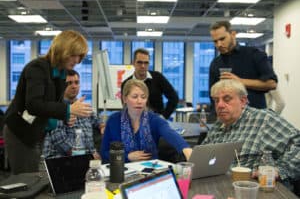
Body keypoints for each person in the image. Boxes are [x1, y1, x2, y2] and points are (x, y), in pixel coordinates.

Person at [3, 30, 92, 174]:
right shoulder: (37, 68)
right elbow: (34, 105)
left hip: (36, 131)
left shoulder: (61, 73)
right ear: (63, 50)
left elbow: (49, 107)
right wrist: (68, 110)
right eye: (74, 55)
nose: (77, 60)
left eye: (79, 56)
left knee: (34, 177)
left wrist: (65, 116)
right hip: (20, 132)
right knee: (27, 180)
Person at [203, 79, 300, 190]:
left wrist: (279, 170)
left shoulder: (263, 119)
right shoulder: (218, 126)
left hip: (256, 190)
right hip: (220, 187)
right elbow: (202, 158)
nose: (220, 105)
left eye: (227, 99)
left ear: (243, 101)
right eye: (216, 100)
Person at [101, 79, 192, 163]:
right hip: (121, 171)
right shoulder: (113, 120)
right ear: (125, 99)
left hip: (149, 170)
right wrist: (127, 156)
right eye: (135, 97)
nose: (139, 101)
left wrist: (185, 148)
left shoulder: (154, 119)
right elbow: (104, 153)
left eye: (143, 97)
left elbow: (170, 133)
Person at [209, 20, 278, 109]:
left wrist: (240, 81)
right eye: (215, 41)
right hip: (229, 118)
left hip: (255, 117)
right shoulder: (215, 63)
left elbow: (272, 83)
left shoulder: (254, 54)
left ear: (233, 34)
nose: (219, 44)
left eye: (222, 39)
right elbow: (212, 95)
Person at [43, 70, 101, 159]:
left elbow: (97, 120)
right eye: (69, 83)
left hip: (87, 159)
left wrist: (103, 126)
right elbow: (60, 141)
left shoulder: (82, 105)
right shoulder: (55, 107)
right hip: (61, 161)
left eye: (76, 82)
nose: (74, 86)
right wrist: (86, 158)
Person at [121, 48, 178, 119]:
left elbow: (174, 98)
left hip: (156, 122)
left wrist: (164, 116)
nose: (143, 66)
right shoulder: (126, 83)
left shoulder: (158, 77)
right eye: (139, 62)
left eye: (146, 63)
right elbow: (125, 106)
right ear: (133, 63)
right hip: (134, 122)